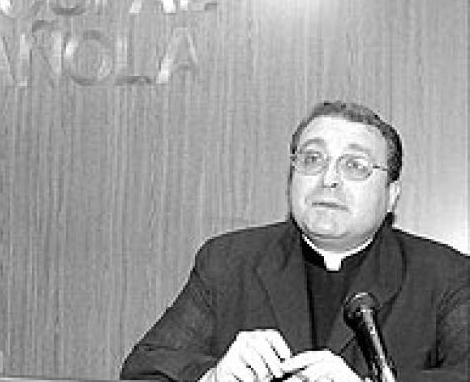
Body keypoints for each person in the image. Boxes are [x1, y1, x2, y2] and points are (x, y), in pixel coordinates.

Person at [121, 101, 468, 382]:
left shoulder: (444, 274)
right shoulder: (229, 261)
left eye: (354, 165)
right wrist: (213, 377)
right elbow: (145, 369)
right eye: (312, 159)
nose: (328, 179)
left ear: (392, 195)